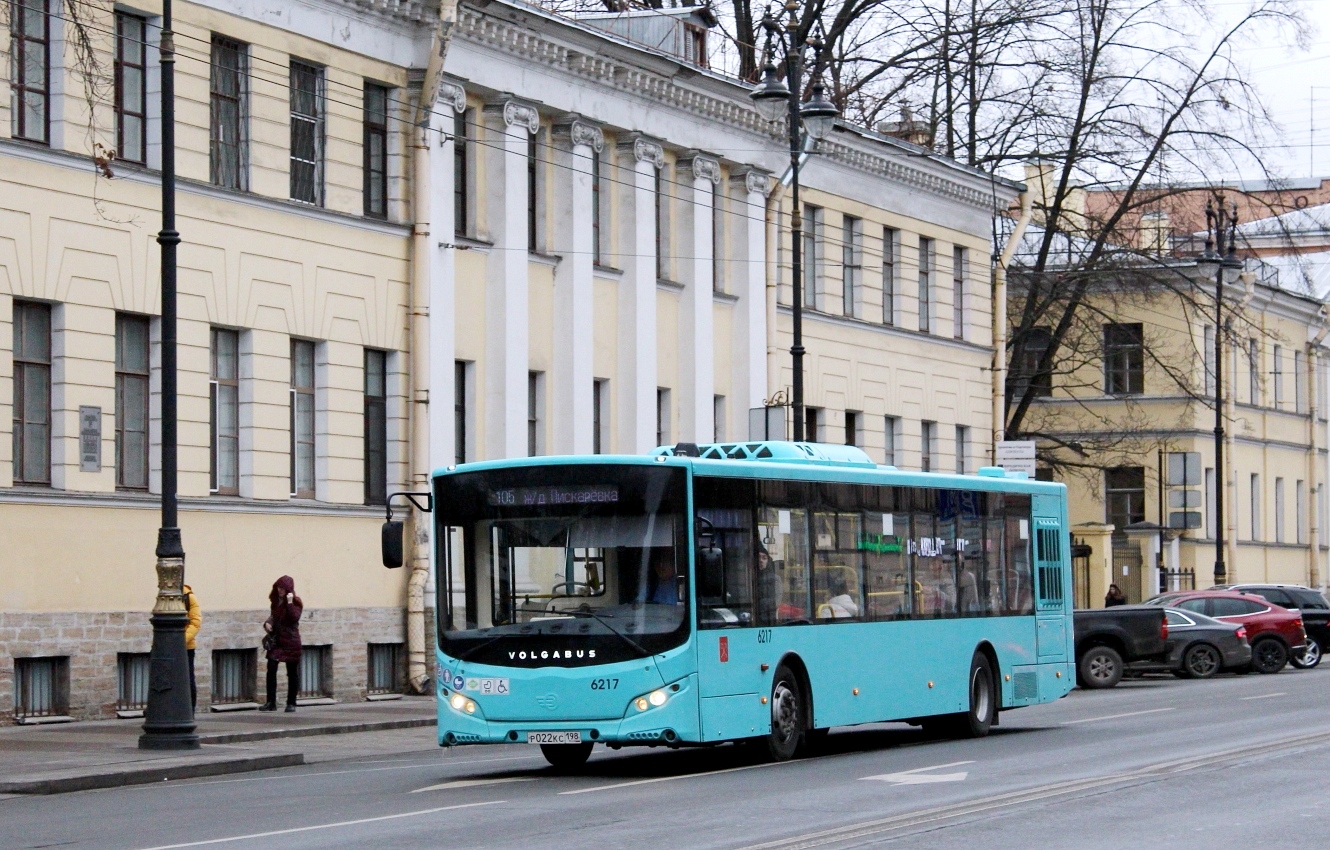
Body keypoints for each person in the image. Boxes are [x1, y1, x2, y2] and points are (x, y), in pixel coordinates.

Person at [261, 576, 303, 712]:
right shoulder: (275, 602)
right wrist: (268, 623)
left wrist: (289, 602)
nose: (279, 590)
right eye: (278, 588)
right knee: (271, 668)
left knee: (292, 673)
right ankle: (271, 702)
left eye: (282, 588)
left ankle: (291, 703)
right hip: (277, 641)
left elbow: (293, 618)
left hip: (291, 641)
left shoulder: (296, 602)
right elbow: (273, 616)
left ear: (288, 590)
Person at [183, 583, 201, 712]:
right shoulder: (164, 596)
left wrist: (181, 640)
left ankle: (190, 710)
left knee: (188, 679)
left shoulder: (189, 597)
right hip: (167, 646)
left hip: (186, 646)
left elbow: (195, 622)